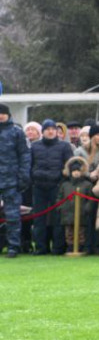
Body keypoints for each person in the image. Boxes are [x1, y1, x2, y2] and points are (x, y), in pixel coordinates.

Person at [29, 118, 73, 254]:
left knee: (57, 218)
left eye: (53, 129)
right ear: (43, 132)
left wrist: (61, 177)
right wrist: (34, 177)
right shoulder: (35, 146)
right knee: (39, 219)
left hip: (56, 186)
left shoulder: (64, 146)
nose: (50, 132)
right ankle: (41, 247)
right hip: (39, 186)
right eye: (48, 129)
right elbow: (29, 165)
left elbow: (69, 164)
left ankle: (58, 247)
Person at [0, 103, 31, 257]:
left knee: (12, 216)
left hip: (11, 180)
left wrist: (23, 177)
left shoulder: (16, 132)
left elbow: (25, 156)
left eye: (2, 113)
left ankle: (13, 246)